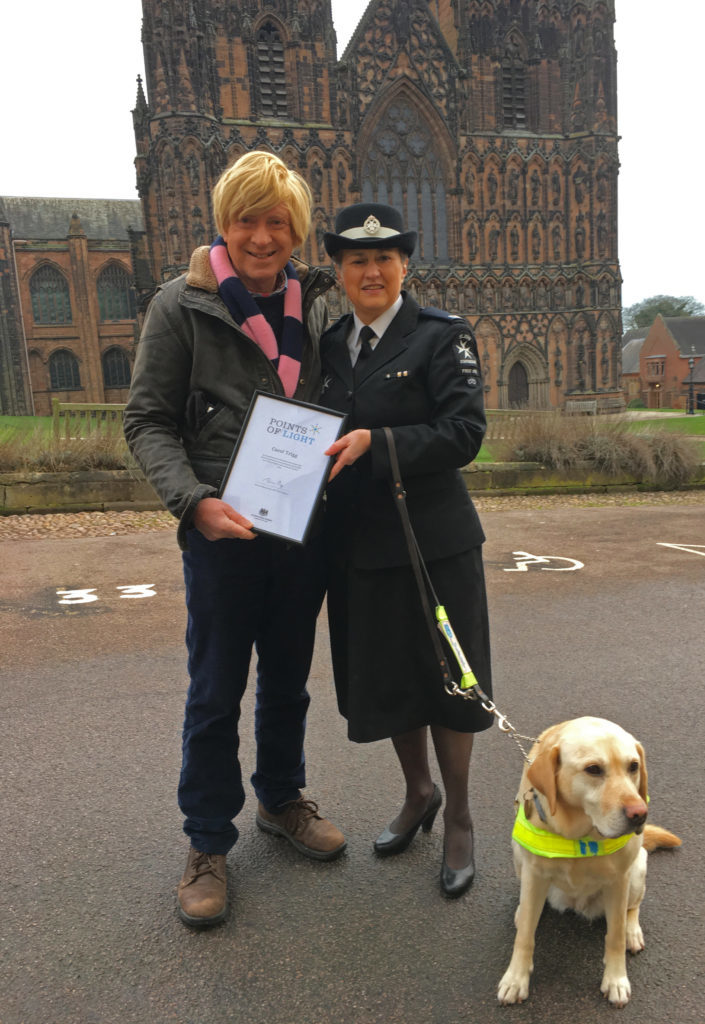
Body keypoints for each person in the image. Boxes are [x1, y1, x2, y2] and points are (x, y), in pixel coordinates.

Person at [123, 151, 346, 929]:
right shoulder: (179, 306)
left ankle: (282, 799)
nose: (261, 235)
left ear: (296, 231)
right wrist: (194, 503)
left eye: (276, 221)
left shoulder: (319, 306)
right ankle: (207, 842)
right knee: (216, 691)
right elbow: (146, 421)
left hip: (297, 532)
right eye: (247, 219)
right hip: (220, 531)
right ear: (224, 223)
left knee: (289, 678)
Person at [319, 203, 493, 897]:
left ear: (405, 266)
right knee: (393, 681)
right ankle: (417, 792)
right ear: (338, 270)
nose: (371, 270)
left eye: (385, 258)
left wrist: (380, 443)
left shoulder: (441, 337)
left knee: (449, 681)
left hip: (435, 544)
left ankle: (460, 816)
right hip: (360, 546)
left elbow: (465, 434)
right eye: (357, 259)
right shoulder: (332, 345)